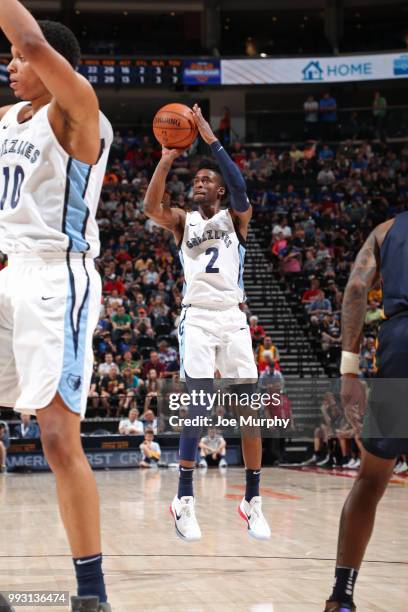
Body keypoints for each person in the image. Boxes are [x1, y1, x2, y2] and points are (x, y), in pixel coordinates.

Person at [0, 4, 113, 611]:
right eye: (12, 60)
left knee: (56, 438)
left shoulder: (80, 112)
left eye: (20, 59)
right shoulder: (5, 119)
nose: (12, 65)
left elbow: (30, 35)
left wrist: (28, 41)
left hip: (56, 280)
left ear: (53, 64)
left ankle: (91, 594)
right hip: (10, 273)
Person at [144, 103, 271, 542]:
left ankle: (252, 500)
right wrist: (167, 156)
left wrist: (209, 138)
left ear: (218, 191)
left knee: (249, 412)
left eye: (205, 181)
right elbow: (150, 206)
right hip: (197, 318)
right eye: (195, 180)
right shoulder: (183, 221)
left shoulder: (236, 218)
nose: (198, 184)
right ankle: (183, 498)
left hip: (233, 319)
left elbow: (238, 183)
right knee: (196, 404)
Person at [323, 214, 408, 611]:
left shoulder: (387, 230)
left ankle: (342, 596)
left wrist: (348, 371)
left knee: (372, 478)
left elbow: (357, 287)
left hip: (399, 347)